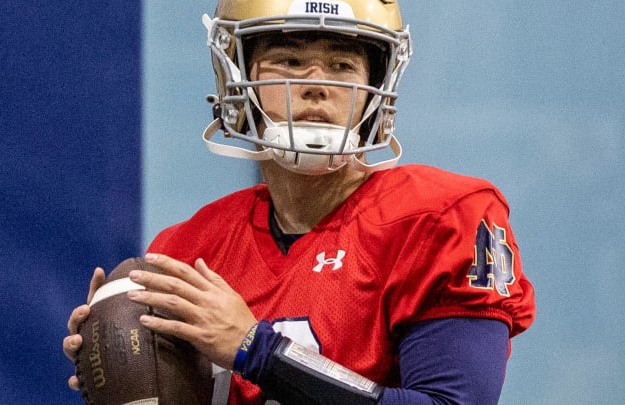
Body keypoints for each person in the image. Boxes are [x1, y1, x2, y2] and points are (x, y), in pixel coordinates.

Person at [63, 0, 536, 403]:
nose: (317, 85)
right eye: (289, 61)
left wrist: (257, 350)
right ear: (235, 80)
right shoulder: (189, 249)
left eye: (342, 65)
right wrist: (123, 369)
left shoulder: (440, 217)